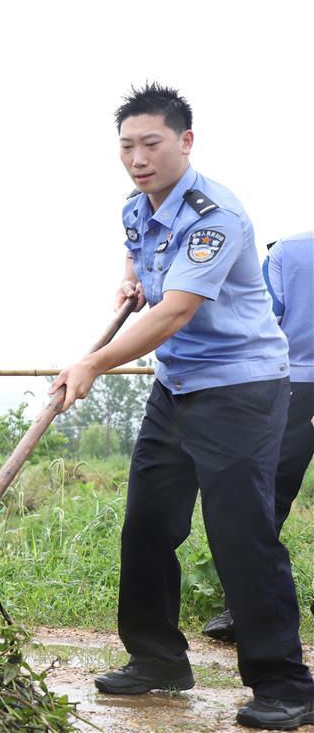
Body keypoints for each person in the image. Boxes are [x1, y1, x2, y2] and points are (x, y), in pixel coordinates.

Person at [53, 84, 312, 729]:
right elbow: (143, 260)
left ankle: (287, 684)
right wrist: (131, 277)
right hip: (176, 387)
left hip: (240, 389)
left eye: (151, 144)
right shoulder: (137, 208)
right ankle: (158, 660)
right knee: (147, 522)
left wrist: (92, 362)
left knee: (240, 531)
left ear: (185, 141)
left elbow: (175, 312)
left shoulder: (214, 215)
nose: (137, 159)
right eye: (126, 147)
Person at [201, 230, 314, 643]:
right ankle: (245, 607)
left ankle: (244, 609)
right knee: (264, 498)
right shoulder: (289, 251)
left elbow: (260, 321)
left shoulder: (289, 251)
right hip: (290, 385)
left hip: (291, 385)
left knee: (265, 498)